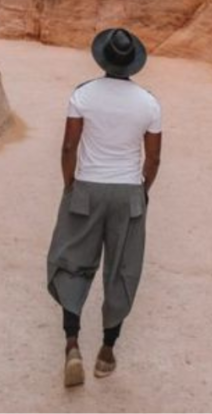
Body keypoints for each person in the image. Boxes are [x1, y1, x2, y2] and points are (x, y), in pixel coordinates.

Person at [46, 27, 162, 387]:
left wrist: (70, 185)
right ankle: (107, 352)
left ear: (103, 59)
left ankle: (71, 344)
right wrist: (142, 192)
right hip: (127, 191)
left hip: (86, 188)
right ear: (133, 64)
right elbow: (154, 158)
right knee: (122, 269)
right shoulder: (149, 103)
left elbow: (69, 146)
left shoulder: (83, 95)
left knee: (71, 260)